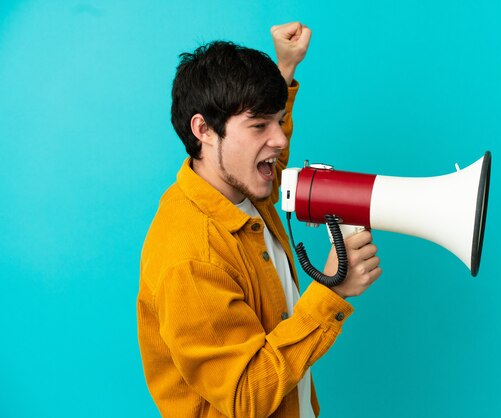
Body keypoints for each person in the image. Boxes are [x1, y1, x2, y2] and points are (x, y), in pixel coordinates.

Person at [137, 22, 382, 418]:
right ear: (204, 130)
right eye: (259, 126)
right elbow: (245, 396)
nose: (280, 139)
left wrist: (283, 71)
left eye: (278, 120)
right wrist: (332, 292)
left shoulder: (247, 184)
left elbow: (272, 156)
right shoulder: (191, 259)